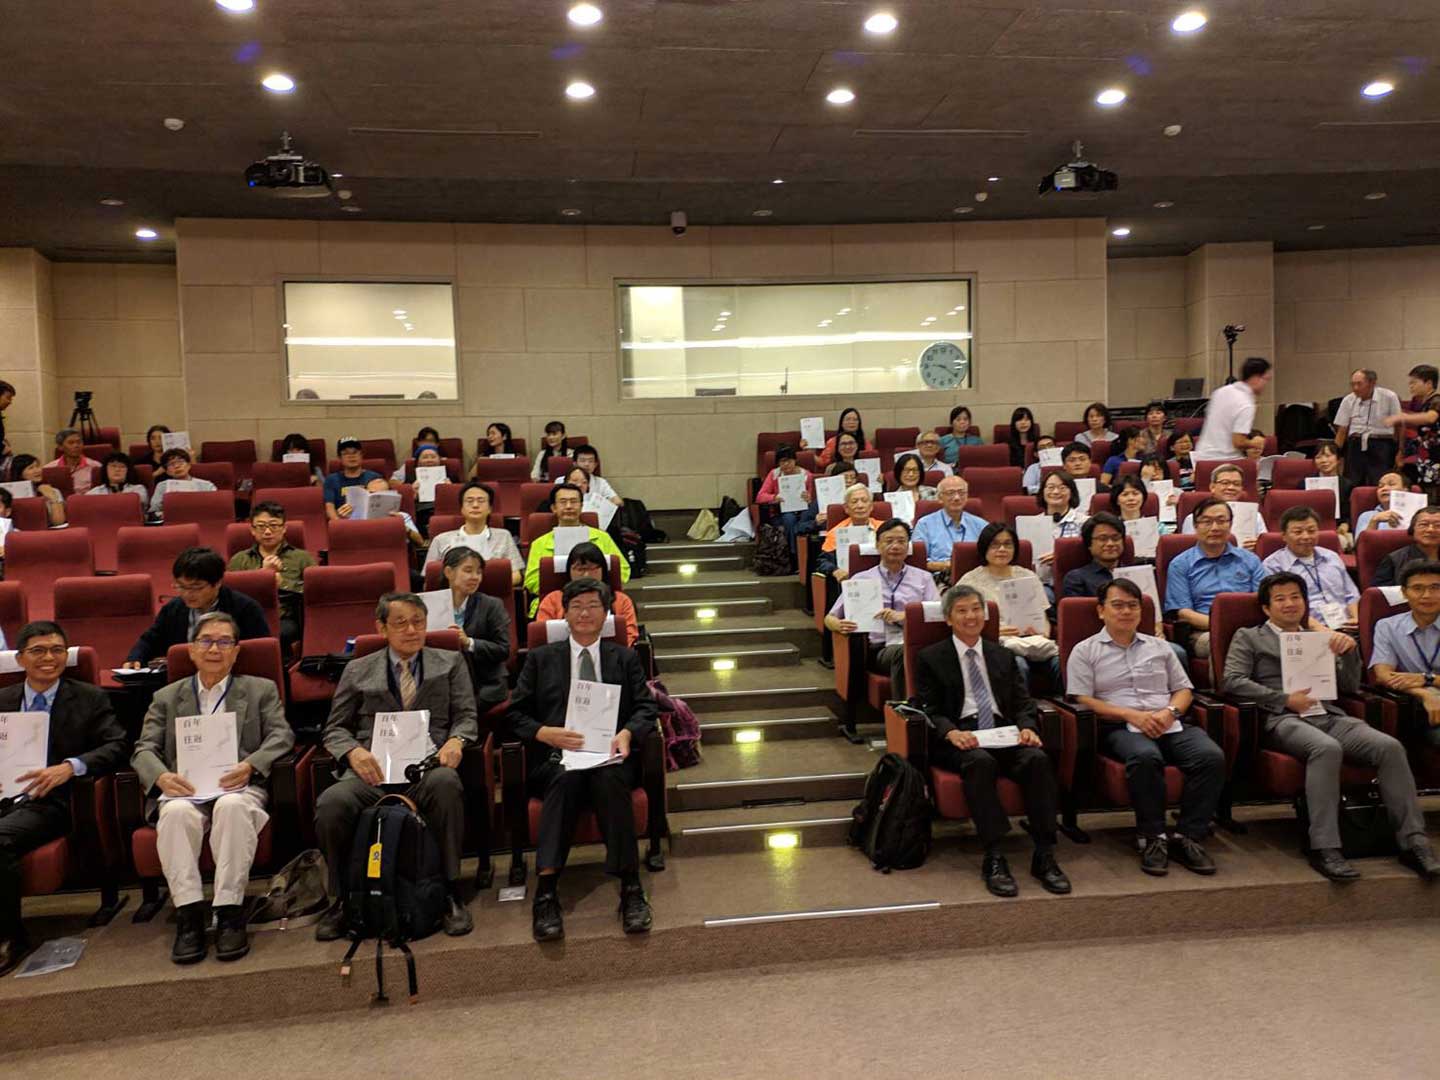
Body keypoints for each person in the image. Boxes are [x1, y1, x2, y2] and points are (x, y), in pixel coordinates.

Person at [1222, 572, 1436, 882]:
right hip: (1281, 718)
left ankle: (1413, 841)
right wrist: (1283, 699)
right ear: (1266, 609)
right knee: (1325, 749)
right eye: (1280, 599)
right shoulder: (1249, 636)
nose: (1290, 603)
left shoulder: (1319, 638)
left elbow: (1348, 686)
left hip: (1327, 713)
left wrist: (1350, 653)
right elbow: (1232, 681)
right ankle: (1325, 846)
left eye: (1296, 597)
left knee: (1389, 747)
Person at [131, 612, 294, 964]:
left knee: (231, 809)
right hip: (184, 789)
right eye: (206, 641)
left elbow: (282, 735)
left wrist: (251, 764)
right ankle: (189, 915)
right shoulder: (166, 696)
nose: (214, 649)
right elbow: (144, 749)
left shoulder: (259, 689)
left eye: (224, 642)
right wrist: (161, 777)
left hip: (238, 785)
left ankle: (228, 912)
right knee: (173, 814)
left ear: (236, 651)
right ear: (191, 650)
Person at [313, 592, 478, 940]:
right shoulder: (358, 668)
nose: (411, 630)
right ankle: (344, 898)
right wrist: (353, 753)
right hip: (372, 772)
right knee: (332, 804)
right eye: (400, 623)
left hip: (425, 768)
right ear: (381, 627)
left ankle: (448, 890)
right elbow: (335, 728)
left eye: (418, 622)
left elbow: (466, 716)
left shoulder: (449, 662)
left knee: (447, 785)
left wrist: (456, 740)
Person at [505, 578, 659, 941]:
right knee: (566, 778)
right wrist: (545, 732)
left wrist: (627, 733)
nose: (585, 613)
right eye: (577, 606)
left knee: (608, 779)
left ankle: (631, 887)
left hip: (610, 755)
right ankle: (546, 892)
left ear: (606, 613)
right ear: (564, 613)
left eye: (593, 605)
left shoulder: (622, 657)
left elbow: (646, 706)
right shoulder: (542, 658)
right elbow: (515, 714)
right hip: (558, 757)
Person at [912, 584, 1071, 897]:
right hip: (960, 736)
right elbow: (926, 707)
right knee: (980, 763)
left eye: (976, 609)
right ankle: (995, 854)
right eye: (962, 610)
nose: (971, 616)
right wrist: (950, 732)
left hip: (1002, 731)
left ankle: (1044, 853)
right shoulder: (931, 657)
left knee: (1037, 759)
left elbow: (1023, 702)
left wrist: (1027, 727)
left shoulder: (1002, 654)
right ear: (948, 618)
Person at [1069, 578, 1224, 875]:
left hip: (1169, 722)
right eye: (1118, 605)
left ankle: (1188, 835)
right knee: (1145, 757)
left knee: (1210, 757)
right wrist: (1131, 715)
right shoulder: (1085, 650)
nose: (1126, 612)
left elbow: (1183, 690)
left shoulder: (1160, 648)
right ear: (1101, 611)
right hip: (1120, 726)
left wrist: (1170, 712)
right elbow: (1084, 699)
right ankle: (1152, 837)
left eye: (1133, 606)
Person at [0, 620, 128, 976]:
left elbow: (116, 745)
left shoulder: (88, 697)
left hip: (51, 800)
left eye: (57, 650)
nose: (48, 658)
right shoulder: (2, 700)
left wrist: (70, 767)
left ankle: (10, 936)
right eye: (38, 651)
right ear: (20, 658)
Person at [824, 519, 938, 704]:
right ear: (877, 545)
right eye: (889, 541)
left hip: (918, 642)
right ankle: (906, 713)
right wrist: (838, 625)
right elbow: (829, 618)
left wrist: (906, 617)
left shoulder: (923, 578)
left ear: (908, 546)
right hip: (880, 648)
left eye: (901, 541)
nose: (895, 546)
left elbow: (936, 615)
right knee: (903, 653)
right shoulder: (861, 579)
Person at [124, 547, 270, 667]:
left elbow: (259, 655)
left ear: (217, 583)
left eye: (196, 588)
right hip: (181, 682)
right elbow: (150, 640)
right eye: (181, 587)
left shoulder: (245, 609)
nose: (187, 594)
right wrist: (135, 658)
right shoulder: (173, 609)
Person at [956, 523, 1059, 685]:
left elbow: (1043, 615)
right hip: (997, 643)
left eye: (1008, 544)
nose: (1002, 549)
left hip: (1034, 641)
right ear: (984, 548)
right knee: (1018, 665)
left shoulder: (1028, 576)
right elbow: (958, 621)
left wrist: (1042, 632)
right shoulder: (970, 581)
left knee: (1061, 663)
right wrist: (993, 632)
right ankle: (1021, 710)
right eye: (995, 545)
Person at [1164, 498, 1266, 659]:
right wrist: (1224, 627)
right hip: (1204, 632)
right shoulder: (1180, 564)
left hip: (1251, 629)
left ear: (1230, 525)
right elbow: (1184, 614)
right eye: (1206, 521)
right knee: (1225, 643)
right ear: (1196, 526)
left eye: (1221, 521)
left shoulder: (1250, 560)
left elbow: (1264, 601)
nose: (1215, 527)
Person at [1368, 559, 1440, 763]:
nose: (1427, 595)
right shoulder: (1388, 627)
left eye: (1435, 588)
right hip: (1422, 710)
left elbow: (1420, 678)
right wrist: (1425, 694)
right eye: (1418, 588)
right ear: (1404, 592)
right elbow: (1383, 676)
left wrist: (1427, 679)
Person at [524, 482, 628, 615]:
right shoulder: (540, 543)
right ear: (553, 508)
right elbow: (531, 581)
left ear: (581, 506)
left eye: (574, 502)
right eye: (563, 502)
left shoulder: (602, 538)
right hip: (554, 603)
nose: (568, 506)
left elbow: (622, 571)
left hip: (598, 600)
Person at [226, 501, 316, 651]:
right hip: (247, 616)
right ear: (252, 530)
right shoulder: (240, 559)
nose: (267, 532)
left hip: (285, 618)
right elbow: (229, 594)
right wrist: (262, 576)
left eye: (273, 526)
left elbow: (315, 593)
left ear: (284, 528)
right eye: (261, 526)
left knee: (280, 633)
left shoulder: (302, 558)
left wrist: (282, 582)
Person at [436, 547, 511, 714]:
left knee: (458, 708)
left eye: (479, 572)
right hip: (444, 681)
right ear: (449, 572)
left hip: (484, 683)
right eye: (468, 570)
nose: (475, 577)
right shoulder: (430, 605)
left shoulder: (492, 605)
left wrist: (468, 642)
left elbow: (503, 649)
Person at [1260, 506, 1359, 630]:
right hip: (1305, 630)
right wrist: (1322, 630)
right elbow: (1281, 609)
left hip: (1347, 626)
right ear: (1284, 536)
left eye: (1311, 531)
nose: (1306, 536)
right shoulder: (1273, 566)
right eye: (1298, 532)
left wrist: (1356, 619)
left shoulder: (1331, 557)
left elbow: (1351, 594)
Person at [536, 541, 639, 646]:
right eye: (580, 569)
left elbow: (629, 636)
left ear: (603, 569)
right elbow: (543, 636)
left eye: (592, 568)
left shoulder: (621, 600)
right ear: (569, 571)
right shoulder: (552, 600)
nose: (586, 574)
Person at [427, 481, 524, 586]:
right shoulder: (441, 539)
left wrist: (481, 584)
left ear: (490, 509)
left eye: (481, 501)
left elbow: (516, 575)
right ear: (462, 509)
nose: (475, 505)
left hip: (492, 596)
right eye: (469, 501)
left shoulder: (503, 536)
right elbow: (429, 579)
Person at [1332, 368, 1403, 487]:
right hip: (1355, 444)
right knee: (1352, 482)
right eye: (1352, 384)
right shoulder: (1348, 399)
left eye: (1359, 384)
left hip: (1382, 443)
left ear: (1372, 383)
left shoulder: (1389, 396)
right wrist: (1335, 454)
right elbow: (1342, 430)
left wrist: (1400, 451)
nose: (1355, 388)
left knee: (1380, 481)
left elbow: (1399, 426)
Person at [912, 475, 988, 582]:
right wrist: (947, 566)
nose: (957, 498)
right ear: (939, 498)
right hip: (938, 579)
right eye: (950, 493)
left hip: (976, 578)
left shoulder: (981, 525)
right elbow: (918, 561)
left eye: (961, 493)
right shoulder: (925, 524)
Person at [1195, 356, 1272, 462]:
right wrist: (1255, 443)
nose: (1266, 384)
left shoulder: (1220, 392)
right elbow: (1238, 442)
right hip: (1224, 461)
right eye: (1266, 379)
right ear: (1256, 378)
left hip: (1201, 457)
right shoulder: (1246, 403)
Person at [1384, 364, 1440, 500]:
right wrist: (1402, 451)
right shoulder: (1422, 404)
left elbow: (1431, 417)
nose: (1411, 387)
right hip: (1425, 458)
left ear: (1428, 383)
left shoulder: (1437, 400)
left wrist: (1402, 416)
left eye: (1414, 383)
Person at [1178, 463, 1266, 548]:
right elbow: (1189, 548)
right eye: (1225, 483)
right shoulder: (1194, 518)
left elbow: (1264, 545)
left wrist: (1258, 545)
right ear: (1212, 487)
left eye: (1236, 484)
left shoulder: (1255, 516)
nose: (1231, 487)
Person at [755, 444, 819, 558]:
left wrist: (808, 498)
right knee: (789, 519)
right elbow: (760, 497)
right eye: (782, 462)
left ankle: (803, 555)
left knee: (804, 519)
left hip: (803, 510)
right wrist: (774, 498)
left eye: (788, 461)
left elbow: (813, 498)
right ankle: (794, 555)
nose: (785, 464)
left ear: (795, 460)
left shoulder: (806, 475)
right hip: (780, 512)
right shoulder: (774, 474)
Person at [1034, 471, 1087, 589]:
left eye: (1062, 487)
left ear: (1071, 492)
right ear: (1042, 492)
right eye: (1050, 487)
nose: (1056, 492)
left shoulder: (1085, 522)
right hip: (1042, 584)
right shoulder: (1032, 524)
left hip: (1077, 584)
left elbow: (1091, 555)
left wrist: (1063, 556)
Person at [820, 484, 882, 581]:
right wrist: (835, 570)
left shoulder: (885, 529)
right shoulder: (836, 532)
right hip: (848, 581)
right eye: (854, 501)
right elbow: (823, 561)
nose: (860, 506)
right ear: (846, 508)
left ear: (871, 506)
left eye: (864, 501)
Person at [1061, 512, 1128, 599]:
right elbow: (1077, 611)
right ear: (1089, 544)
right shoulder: (1076, 578)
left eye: (1116, 538)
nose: (1110, 543)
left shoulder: (1137, 571)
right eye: (1102, 539)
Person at [1373, 504, 1440, 588]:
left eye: (1438, 525)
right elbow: (1380, 595)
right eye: (1424, 525)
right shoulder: (1394, 559)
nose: (1430, 530)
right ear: (1413, 529)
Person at [1308, 440, 1355, 550]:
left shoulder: (1347, 485)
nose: (1324, 460)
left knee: (1348, 541)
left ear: (1338, 459)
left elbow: (1350, 513)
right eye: (1319, 457)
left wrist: (1345, 525)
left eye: (1328, 456)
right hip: (1311, 528)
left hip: (1338, 528)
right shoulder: (1305, 483)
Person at [323, 437, 383, 520]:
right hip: (343, 522)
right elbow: (329, 507)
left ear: (361, 455)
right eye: (346, 453)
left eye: (355, 452)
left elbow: (382, 506)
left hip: (371, 522)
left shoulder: (374, 477)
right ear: (339, 458)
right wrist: (338, 523)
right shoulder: (331, 480)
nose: (351, 456)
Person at [149, 448, 218, 517]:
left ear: (189, 465)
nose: (177, 466)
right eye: (171, 464)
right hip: (173, 522)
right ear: (167, 471)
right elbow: (154, 511)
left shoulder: (206, 486)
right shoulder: (162, 486)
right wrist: (162, 514)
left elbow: (217, 507)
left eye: (180, 462)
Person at [1110, 473, 1172, 540]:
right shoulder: (1110, 528)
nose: (1131, 498)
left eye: (1135, 493)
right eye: (1125, 494)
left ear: (1143, 497)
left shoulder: (1158, 527)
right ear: (1117, 500)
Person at [9, 454, 65, 526]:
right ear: (19, 473)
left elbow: (59, 522)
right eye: (31, 468)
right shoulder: (9, 492)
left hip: (46, 532)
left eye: (37, 466)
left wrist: (52, 497)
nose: (37, 470)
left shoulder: (53, 490)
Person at [46, 428, 102, 494]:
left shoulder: (96, 466)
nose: (76, 445)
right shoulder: (49, 468)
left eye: (79, 442)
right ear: (60, 447)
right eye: (71, 443)